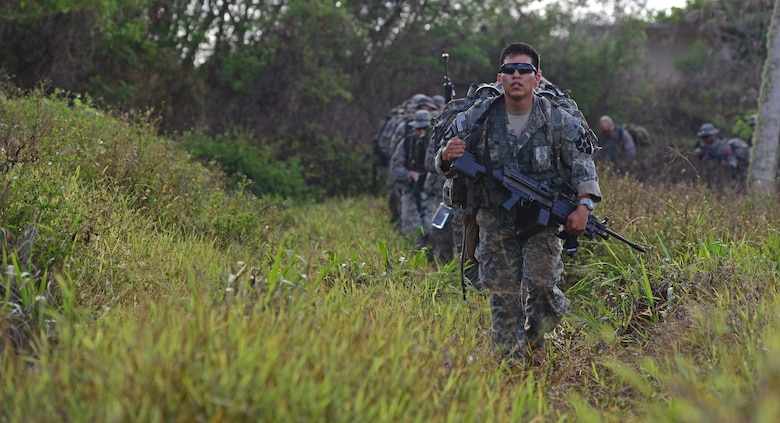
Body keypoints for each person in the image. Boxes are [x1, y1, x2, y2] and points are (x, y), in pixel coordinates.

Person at [435, 42, 602, 363]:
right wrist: (446, 156)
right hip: (495, 220)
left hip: (540, 222)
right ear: (500, 77)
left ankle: (535, 338)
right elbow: (443, 159)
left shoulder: (558, 122)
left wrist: (584, 207)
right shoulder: (477, 118)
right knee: (503, 296)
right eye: (510, 70)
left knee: (541, 288)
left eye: (524, 70)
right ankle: (509, 366)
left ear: (537, 78)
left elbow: (582, 166)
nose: (516, 76)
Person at [391, 109, 433, 246]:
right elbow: (395, 168)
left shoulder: (436, 142)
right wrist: (411, 175)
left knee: (432, 228)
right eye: (418, 129)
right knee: (411, 230)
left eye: (424, 128)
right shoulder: (407, 143)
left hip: (431, 192)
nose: (421, 132)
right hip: (410, 190)